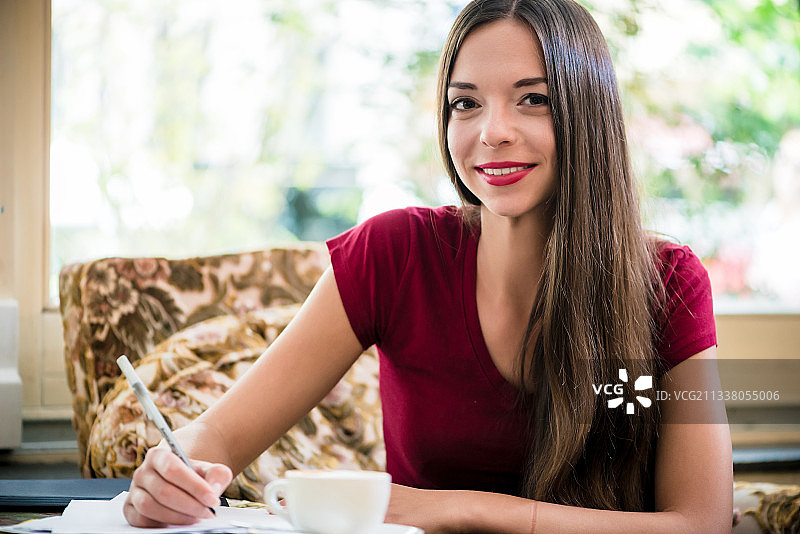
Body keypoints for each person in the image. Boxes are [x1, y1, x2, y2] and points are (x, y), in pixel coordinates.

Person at [123, 0, 733, 532]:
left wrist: (459, 510)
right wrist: (173, 471)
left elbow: (699, 523)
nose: (492, 132)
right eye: (465, 104)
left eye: (533, 99)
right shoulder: (394, 254)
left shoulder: (667, 283)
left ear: (588, 115)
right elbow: (221, 436)